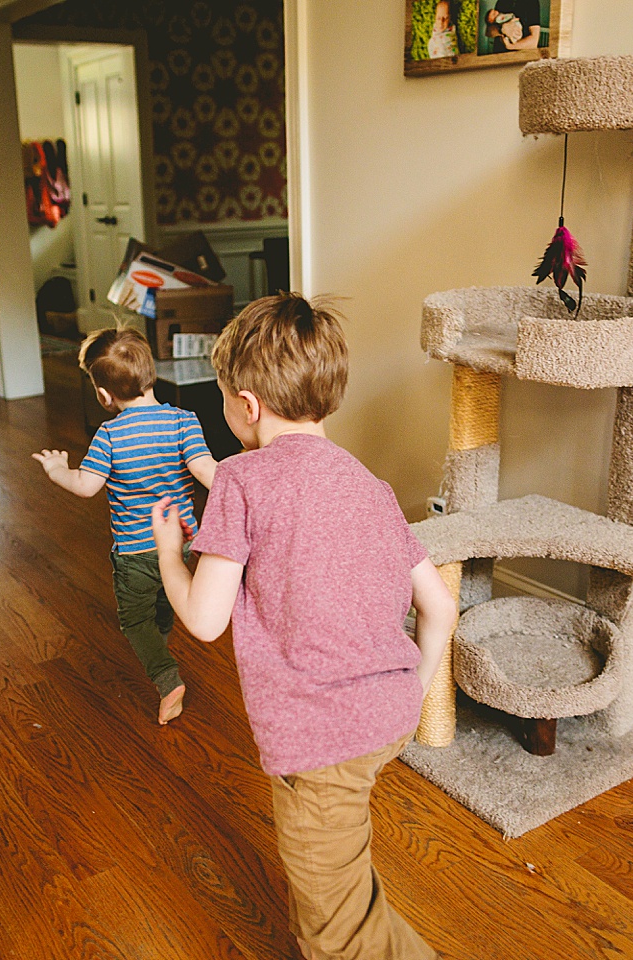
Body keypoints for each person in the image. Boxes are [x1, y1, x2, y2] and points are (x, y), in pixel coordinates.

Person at [148, 294, 456, 959]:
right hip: (391, 712)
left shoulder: (240, 480)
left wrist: (172, 555)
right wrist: (411, 691)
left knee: (335, 930)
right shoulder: (368, 483)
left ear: (247, 405)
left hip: (321, 740)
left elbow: (203, 620)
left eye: (223, 397)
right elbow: (440, 607)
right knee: (339, 871)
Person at [33, 327, 217, 725]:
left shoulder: (110, 435)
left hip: (135, 551)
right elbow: (207, 472)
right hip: (182, 543)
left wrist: (57, 470)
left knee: (135, 619)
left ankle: (165, 676)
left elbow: (85, 485)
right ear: (151, 374)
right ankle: (160, 643)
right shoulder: (185, 422)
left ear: (103, 395)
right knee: (167, 600)